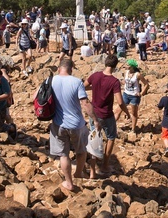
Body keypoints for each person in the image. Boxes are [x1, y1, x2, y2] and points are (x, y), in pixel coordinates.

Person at [43, 59, 97, 192]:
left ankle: (69, 183)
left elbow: (36, 97)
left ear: (59, 68)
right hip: (77, 124)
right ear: (71, 69)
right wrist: (95, 120)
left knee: (63, 155)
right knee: (81, 150)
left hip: (57, 124)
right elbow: (85, 103)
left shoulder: (50, 80)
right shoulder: (77, 81)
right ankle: (79, 172)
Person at [84, 54, 131, 176]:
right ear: (115, 67)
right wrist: (127, 112)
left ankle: (93, 171)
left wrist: (94, 88)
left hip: (93, 113)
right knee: (110, 137)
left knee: (95, 138)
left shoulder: (95, 75)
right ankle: (105, 165)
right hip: (106, 115)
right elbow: (120, 102)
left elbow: (83, 86)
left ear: (105, 63)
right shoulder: (114, 82)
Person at [116, 59, 149, 134]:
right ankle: (112, 126)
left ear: (132, 67)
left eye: (128, 65)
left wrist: (141, 93)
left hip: (134, 96)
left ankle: (133, 130)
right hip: (126, 94)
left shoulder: (138, 74)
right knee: (119, 110)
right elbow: (125, 82)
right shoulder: (126, 72)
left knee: (134, 113)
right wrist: (120, 82)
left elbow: (146, 84)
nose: (126, 66)